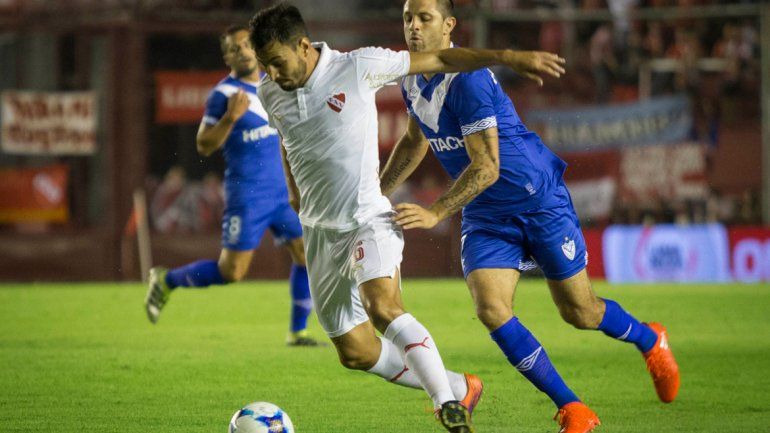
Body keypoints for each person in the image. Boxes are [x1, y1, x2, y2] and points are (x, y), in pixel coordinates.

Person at [248, 3, 565, 432]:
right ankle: (459, 385)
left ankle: (447, 405)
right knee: (355, 352)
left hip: (367, 218)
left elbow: (443, 58)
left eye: (278, 63)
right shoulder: (269, 92)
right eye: (265, 66)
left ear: (304, 46)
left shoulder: (358, 66)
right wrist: (292, 189)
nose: (273, 74)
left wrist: (507, 58)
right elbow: (287, 140)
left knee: (383, 306)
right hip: (320, 233)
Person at [379, 1, 681, 432]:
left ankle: (651, 339)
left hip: (538, 201)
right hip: (486, 213)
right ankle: (573, 408)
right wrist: (374, 194)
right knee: (491, 308)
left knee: (580, 312)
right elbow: (414, 140)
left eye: (424, 17)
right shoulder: (410, 76)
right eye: (408, 17)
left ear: (449, 26)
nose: (413, 26)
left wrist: (436, 212)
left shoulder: (468, 81)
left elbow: (487, 166)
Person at [145, 25, 319, 347]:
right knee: (232, 272)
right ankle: (167, 280)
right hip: (247, 196)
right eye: (234, 48)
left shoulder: (276, 83)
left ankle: (298, 331)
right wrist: (230, 118)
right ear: (227, 56)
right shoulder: (222, 96)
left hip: (283, 194)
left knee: (306, 254)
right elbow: (203, 145)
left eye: (246, 45)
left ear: (256, 48)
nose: (242, 51)